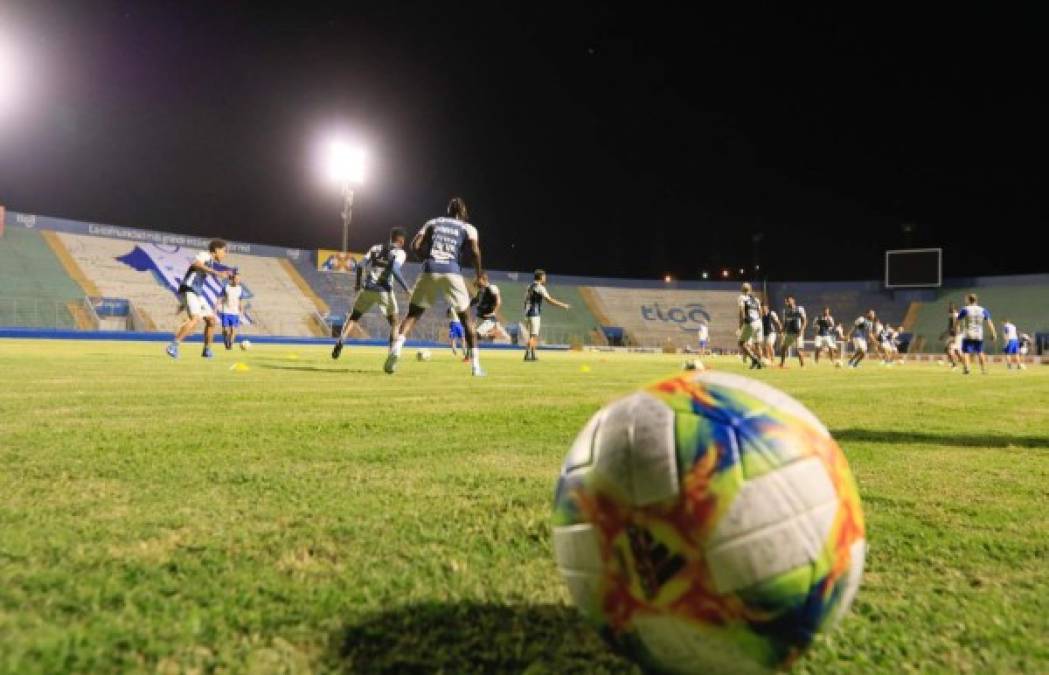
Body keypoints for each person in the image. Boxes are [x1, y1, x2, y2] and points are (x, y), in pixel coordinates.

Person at [385, 197, 485, 376]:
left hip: (430, 268)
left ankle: (396, 350)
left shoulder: (433, 222)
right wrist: (479, 275)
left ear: (448, 210)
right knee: (466, 319)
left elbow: (414, 245)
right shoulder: (468, 228)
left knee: (413, 315)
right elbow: (475, 251)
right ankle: (476, 366)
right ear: (463, 212)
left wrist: (426, 260)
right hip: (452, 271)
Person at [332, 228, 410, 359]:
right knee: (395, 322)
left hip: (368, 288)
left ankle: (342, 339)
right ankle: (392, 353)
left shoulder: (376, 248)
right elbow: (395, 270)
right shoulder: (400, 252)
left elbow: (360, 265)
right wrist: (407, 288)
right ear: (401, 240)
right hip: (384, 290)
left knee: (354, 317)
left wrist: (357, 284)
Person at [166, 239, 230, 359]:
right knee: (195, 319)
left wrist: (222, 272)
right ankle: (173, 346)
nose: (226, 254)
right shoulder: (205, 255)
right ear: (216, 250)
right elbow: (196, 264)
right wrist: (216, 272)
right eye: (224, 251)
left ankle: (207, 350)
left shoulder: (210, 261)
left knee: (211, 320)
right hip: (189, 289)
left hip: (196, 292)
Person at [522, 269, 571, 361]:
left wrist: (525, 311)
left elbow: (526, 300)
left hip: (527, 314)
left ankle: (533, 355)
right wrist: (563, 305)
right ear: (541, 277)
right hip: (534, 314)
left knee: (532, 335)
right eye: (544, 277)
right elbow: (549, 300)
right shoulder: (540, 287)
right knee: (533, 336)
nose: (545, 278)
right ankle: (527, 354)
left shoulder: (529, 286)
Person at [954, 293, 997, 375]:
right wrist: (994, 334)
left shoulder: (965, 309)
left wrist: (955, 329)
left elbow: (957, 321)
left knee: (966, 352)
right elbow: (989, 323)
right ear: (976, 300)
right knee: (980, 351)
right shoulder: (983, 310)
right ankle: (984, 369)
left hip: (968, 333)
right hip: (979, 334)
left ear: (968, 300)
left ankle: (967, 368)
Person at [472, 272, 510, 342]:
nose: (476, 281)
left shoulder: (492, 288)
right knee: (472, 335)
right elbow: (475, 300)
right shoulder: (481, 291)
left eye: (478, 279)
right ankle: (495, 334)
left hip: (489, 318)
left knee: (476, 335)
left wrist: (493, 312)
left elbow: (498, 301)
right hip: (480, 317)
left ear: (483, 280)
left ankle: (497, 335)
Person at [737, 283, 764, 369]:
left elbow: (742, 312)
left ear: (742, 289)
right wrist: (759, 321)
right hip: (759, 322)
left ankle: (754, 359)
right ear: (750, 289)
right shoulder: (756, 299)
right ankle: (759, 364)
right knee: (757, 344)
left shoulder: (742, 297)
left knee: (741, 343)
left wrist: (740, 326)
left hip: (750, 322)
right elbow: (760, 312)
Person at [218, 270, 244, 350]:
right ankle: (226, 341)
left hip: (235, 312)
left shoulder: (240, 289)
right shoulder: (226, 287)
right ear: (232, 279)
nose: (237, 281)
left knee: (233, 329)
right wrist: (216, 307)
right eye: (236, 279)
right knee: (225, 330)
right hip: (226, 311)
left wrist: (241, 310)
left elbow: (240, 300)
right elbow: (220, 298)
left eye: (239, 279)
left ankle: (231, 344)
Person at [779, 295, 807, 368]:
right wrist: (782, 331)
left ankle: (803, 366)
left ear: (793, 300)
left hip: (797, 333)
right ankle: (782, 364)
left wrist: (801, 331)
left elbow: (804, 321)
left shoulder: (799, 309)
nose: (787, 302)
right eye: (786, 302)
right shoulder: (786, 311)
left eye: (789, 301)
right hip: (789, 333)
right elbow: (785, 323)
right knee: (783, 348)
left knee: (798, 351)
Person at [939, 302, 962, 368]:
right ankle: (957, 363)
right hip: (954, 335)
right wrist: (944, 334)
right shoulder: (953, 315)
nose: (949, 308)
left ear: (954, 308)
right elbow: (950, 328)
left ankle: (955, 364)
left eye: (950, 307)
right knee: (955, 351)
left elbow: (956, 326)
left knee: (948, 349)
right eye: (949, 307)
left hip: (956, 335)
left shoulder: (954, 315)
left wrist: (955, 336)